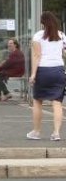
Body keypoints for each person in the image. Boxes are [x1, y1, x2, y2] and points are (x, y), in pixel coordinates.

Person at [27, 11, 65, 141]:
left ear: (42, 22)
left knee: (38, 101)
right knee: (57, 102)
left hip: (43, 71)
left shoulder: (38, 36)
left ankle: (36, 132)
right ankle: (56, 133)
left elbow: (37, 56)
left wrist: (33, 74)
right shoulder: (62, 35)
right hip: (59, 70)